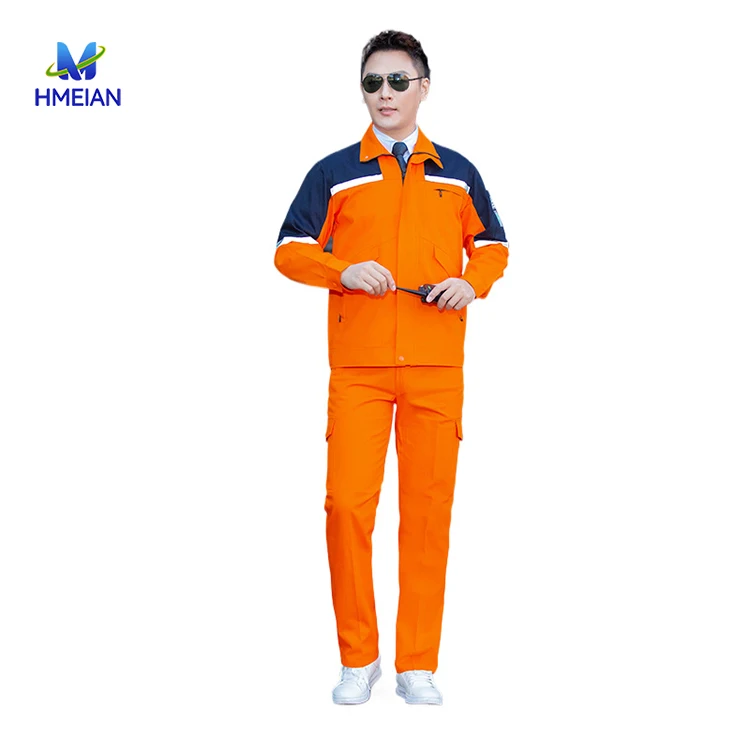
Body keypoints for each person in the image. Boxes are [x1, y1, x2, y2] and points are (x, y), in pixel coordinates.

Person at [274, 29, 509, 706]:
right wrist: (342, 269)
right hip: (360, 370)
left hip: (436, 366)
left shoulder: (457, 172)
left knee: (427, 515)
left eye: (398, 81)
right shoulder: (334, 172)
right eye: (372, 82)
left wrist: (471, 282)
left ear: (423, 88)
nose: (384, 93)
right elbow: (288, 249)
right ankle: (359, 659)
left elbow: (493, 245)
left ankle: (416, 664)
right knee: (347, 508)